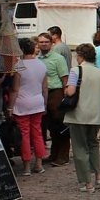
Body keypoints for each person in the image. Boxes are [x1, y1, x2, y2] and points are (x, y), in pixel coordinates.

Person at [63, 43, 100, 193]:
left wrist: (64, 90)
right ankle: (99, 175)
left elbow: (70, 92)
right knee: (93, 144)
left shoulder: (76, 71)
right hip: (96, 114)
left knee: (80, 148)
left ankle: (87, 182)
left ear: (80, 56)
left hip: (79, 114)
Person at [9, 38, 48, 176]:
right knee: (37, 133)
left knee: (24, 134)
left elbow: (15, 89)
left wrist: (9, 107)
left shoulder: (19, 66)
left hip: (22, 103)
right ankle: (39, 163)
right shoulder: (42, 65)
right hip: (38, 101)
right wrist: (45, 104)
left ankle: (26, 166)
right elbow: (45, 88)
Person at [37, 33, 70, 167]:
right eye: (41, 42)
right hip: (42, 94)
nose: (43, 44)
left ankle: (63, 155)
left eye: (46, 42)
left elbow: (64, 79)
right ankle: (54, 154)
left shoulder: (58, 58)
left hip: (56, 93)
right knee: (50, 126)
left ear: (51, 43)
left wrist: (65, 98)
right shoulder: (37, 59)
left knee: (61, 125)